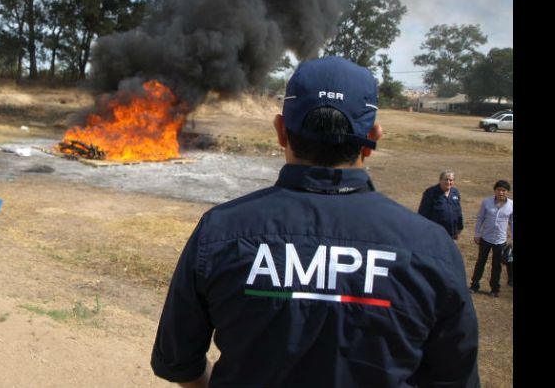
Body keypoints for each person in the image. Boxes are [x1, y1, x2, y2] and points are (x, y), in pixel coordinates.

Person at [151, 57, 479, 388]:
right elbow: (455, 378)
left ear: (281, 130)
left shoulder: (220, 232)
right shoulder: (431, 247)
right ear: (373, 137)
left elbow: (178, 362)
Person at [470, 180, 513, 297]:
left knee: (497, 265)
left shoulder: (511, 205)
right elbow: (480, 218)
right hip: (485, 238)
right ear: (495, 190)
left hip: (500, 240)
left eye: (503, 190)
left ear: (507, 192)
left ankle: (494, 289)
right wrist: (477, 234)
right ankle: (474, 285)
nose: (501, 192)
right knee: (480, 262)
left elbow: (512, 222)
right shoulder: (487, 202)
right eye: (499, 189)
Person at [417, 171, 464, 239]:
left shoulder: (455, 192)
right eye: (446, 179)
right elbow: (422, 213)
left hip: (451, 232)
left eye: (451, 180)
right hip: (435, 233)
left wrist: (459, 228)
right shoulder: (431, 193)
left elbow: (458, 211)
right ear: (440, 180)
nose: (448, 182)